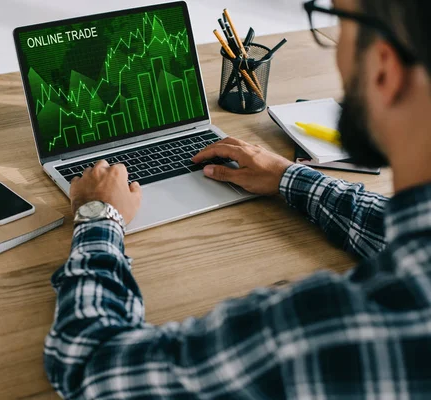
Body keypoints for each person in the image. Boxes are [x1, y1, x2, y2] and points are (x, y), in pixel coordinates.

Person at [44, 0, 431, 398]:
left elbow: (91, 364)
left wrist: (98, 215)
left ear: (384, 68)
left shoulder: (326, 334)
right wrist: (288, 177)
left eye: (336, 22)